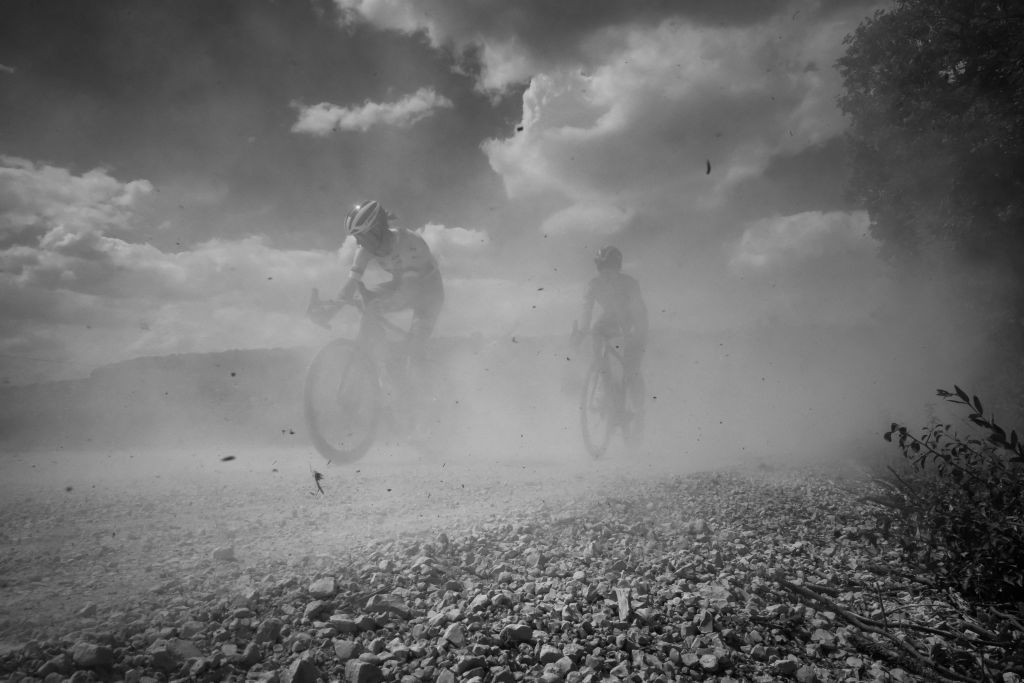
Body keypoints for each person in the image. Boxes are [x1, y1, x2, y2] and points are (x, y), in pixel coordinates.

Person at [335, 199, 445, 364]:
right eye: (356, 237)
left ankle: (422, 383)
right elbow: (350, 285)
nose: (358, 242)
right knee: (367, 301)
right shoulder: (366, 249)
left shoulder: (409, 243)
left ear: (377, 230)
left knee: (415, 351)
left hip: (429, 293)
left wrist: (383, 306)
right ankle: (380, 354)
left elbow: (410, 291)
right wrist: (330, 307)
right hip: (402, 284)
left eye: (361, 236)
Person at [572, 245, 649, 437]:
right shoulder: (593, 285)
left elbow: (638, 310)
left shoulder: (630, 283)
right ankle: (603, 392)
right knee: (599, 354)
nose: (606, 272)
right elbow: (586, 308)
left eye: (611, 267)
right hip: (608, 322)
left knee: (631, 369)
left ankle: (638, 411)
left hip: (631, 323)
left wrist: (639, 333)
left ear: (618, 267)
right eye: (602, 267)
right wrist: (582, 330)